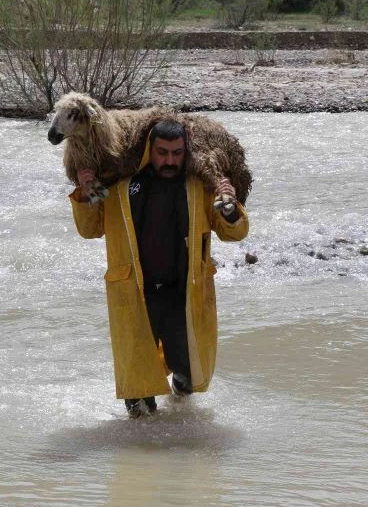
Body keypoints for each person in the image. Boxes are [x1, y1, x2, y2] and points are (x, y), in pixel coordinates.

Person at [69, 119, 249, 418]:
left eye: (177, 153)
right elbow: (91, 229)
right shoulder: (122, 186)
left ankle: (178, 414)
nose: (170, 161)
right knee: (138, 391)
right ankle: (140, 440)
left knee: (189, 373)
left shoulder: (199, 187)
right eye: (162, 152)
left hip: (183, 292)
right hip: (136, 294)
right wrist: (86, 191)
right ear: (148, 150)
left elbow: (235, 233)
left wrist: (229, 208)